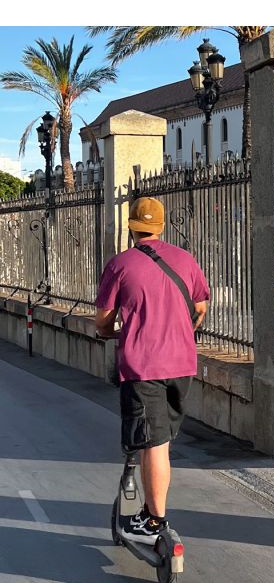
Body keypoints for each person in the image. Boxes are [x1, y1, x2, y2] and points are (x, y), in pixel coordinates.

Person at [95, 197, 209, 544]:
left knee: (154, 445)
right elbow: (201, 307)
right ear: (161, 227)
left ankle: (155, 521)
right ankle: (150, 511)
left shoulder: (120, 265)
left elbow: (102, 322)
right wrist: (180, 332)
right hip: (182, 365)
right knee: (162, 442)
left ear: (132, 227)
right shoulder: (186, 260)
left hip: (143, 366)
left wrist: (118, 332)